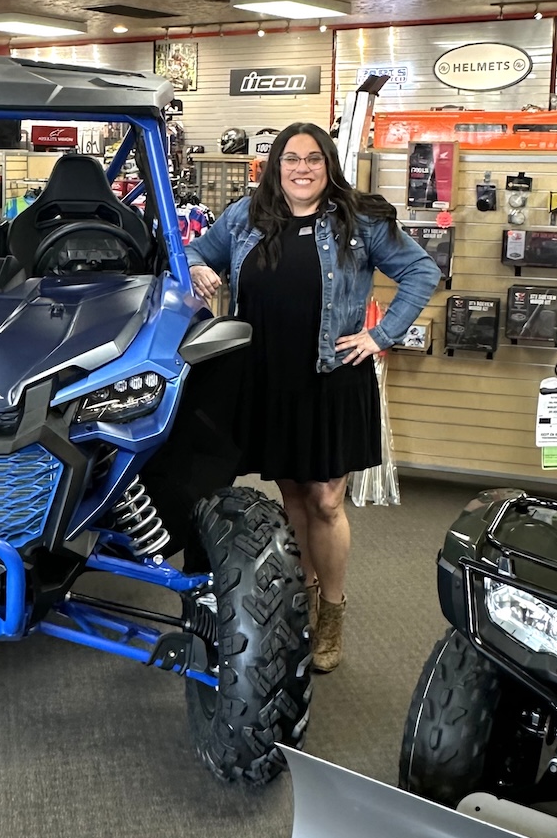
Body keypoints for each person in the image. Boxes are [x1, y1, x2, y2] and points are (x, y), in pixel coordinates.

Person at [184, 122, 439, 672]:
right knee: (294, 495)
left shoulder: (358, 219)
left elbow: (422, 271)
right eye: (292, 159)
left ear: (328, 165)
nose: (302, 168)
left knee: (326, 500)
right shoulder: (247, 216)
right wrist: (199, 265)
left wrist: (380, 334)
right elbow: (194, 252)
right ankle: (303, 596)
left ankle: (332, 613)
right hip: (267, 375)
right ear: (276, 166)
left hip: (331, 375)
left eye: (314, 159)